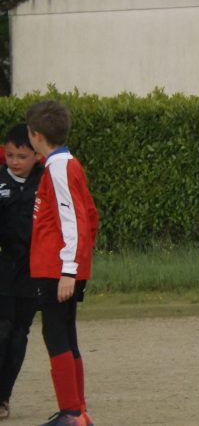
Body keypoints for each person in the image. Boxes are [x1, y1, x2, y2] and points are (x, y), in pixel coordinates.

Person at [26, 100, 98, 426]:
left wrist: (69, 269)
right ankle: (78, 410)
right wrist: (79, 263)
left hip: (56, 268)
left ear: (36, 135)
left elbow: (74, 220)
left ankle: (71, 413)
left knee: (55, 334)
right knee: (66, 334)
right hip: (66, 266)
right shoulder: (68, 164)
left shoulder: (58, 168)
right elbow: (91, 216)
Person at [0, 124, 44, 421]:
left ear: (36, 156)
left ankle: (4, 397)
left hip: (33, 270)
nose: (14, 161)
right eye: (10, 155)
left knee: (19, 333)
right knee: (2, 330)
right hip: (3, 268)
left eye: (21, 156)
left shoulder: (47, 180)